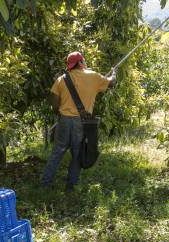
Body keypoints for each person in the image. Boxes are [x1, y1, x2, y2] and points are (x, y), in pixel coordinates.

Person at [40, 51, 117, 191]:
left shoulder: (61, 79)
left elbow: (55, 102)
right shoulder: (93, 76)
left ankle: (45, 185)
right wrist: (113, 73)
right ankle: (71, 186)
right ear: (81, 62)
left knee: (57, 152)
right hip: (81, 123)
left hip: (64, 121)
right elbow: (111, 83)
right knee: (77, 153)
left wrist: (61, 113)